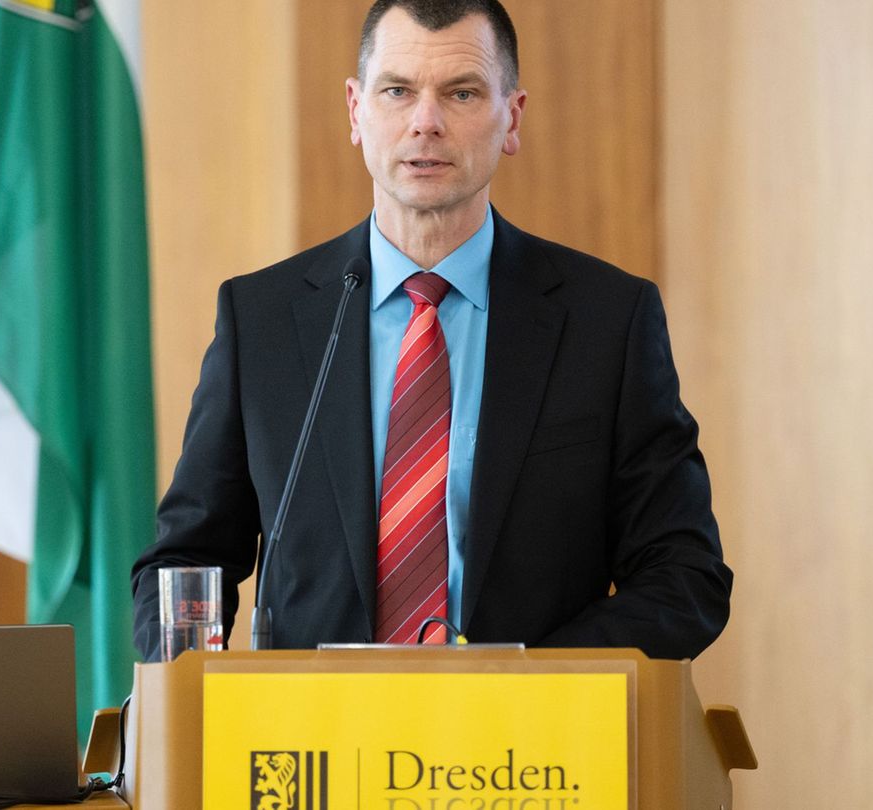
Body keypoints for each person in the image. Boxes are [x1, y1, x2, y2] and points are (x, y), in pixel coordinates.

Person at [131, 0, 731, 661]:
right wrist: (186, 703)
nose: (426, 123)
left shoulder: (606, 321)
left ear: (512, 117)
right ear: (356, 111)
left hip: (527, 752)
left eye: (462, 93)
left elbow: (685, 575)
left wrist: (535, 684)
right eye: (397, 91)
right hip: (311, 746)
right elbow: (186, 562)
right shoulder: (263, 320)